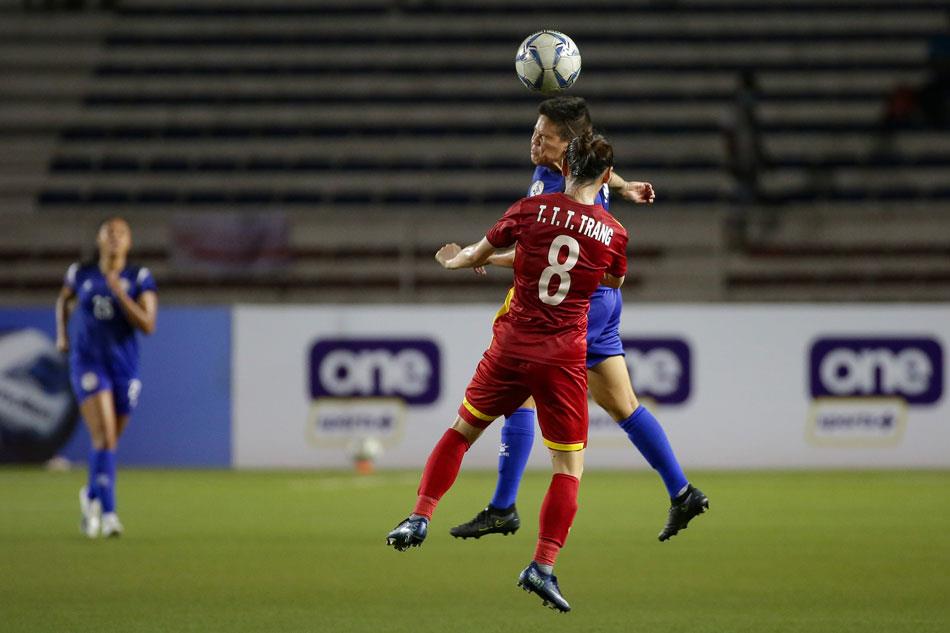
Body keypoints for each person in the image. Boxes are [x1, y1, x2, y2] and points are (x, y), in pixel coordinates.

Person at [387, 134, 628, 612]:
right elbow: (613, 280)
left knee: (463, 430)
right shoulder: (615, 232)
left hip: (512, 346)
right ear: (605, 178)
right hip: (563, 359)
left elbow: (478, 254)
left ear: (564, 169)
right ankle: (542, 565)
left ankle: (418, 517)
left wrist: (457, 261)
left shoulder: (528, 209)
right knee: (568, 467)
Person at [451, 96, 707, 543]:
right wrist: (623, 188)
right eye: (534, 132)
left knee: (520, 393)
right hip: (603, 298)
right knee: (622, 404)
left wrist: (485, 257)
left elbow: (543, 253)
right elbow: (601, 169)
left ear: (567, 146)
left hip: (577, 300)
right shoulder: (582, 167)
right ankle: (682, 492)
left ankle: (503, 507)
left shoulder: (555, 190)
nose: (534, 142)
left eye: (544, 137)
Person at [55, 217, 158, 538]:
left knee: (111, 440)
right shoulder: (81, 273)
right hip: (88, 363)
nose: (115, 237)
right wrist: (63, 335)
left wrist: (121, 295)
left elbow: (148, 324)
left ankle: (90, 496)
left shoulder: (138, 277)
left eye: (121, 233)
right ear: (99, 239)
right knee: (104, 436)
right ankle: (109, 513)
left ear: (129, 242)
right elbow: (64, 300)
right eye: (109, 232)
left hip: (123, 367)